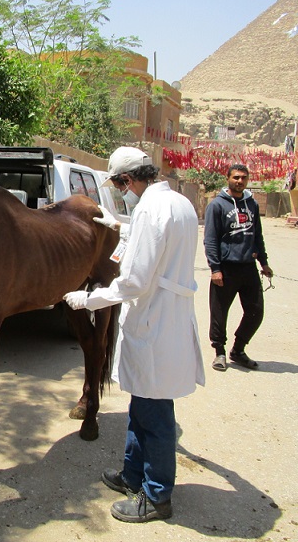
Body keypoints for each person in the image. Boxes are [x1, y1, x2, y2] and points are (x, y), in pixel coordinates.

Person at [64, 146, 205, 524]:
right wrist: (120, 227)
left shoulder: (148, 211)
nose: (119, 192)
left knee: (155, 414)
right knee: (141, 407)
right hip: (167, 318)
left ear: (128, 180)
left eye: (118, 185)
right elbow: (159, 240)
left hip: (152, 320)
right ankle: (132, 475)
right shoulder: (179, 203)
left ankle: (157, 496)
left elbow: (134, 282)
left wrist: (89, 299)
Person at [204, 164, 273, 372]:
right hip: (225, 268)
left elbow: (257, 235)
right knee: (219, 313)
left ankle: (238, 350)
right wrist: (215, 268)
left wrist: (264, 262)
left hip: (248, 267)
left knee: (255, 311)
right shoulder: (217, 205)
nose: (239, 181)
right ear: (228, 178)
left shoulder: (251, 204)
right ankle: (220, 353)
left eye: (243, 177)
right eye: (236, 177)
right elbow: (211, 239)